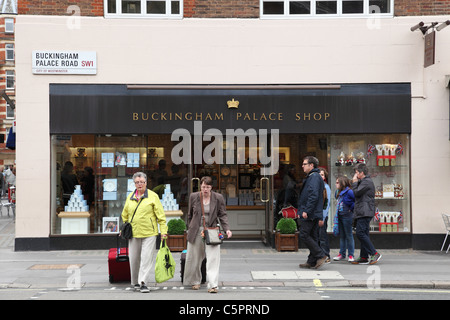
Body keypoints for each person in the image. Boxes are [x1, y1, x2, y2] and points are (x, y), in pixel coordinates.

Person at [183, 176, 232, 293]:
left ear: (211, 187)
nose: (205, 189)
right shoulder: (194, 196)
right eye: (203, 186)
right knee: (195, 257)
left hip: (212, 230)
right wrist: (190, 228)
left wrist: (227, 229)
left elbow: (222, 215)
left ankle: (212, 285)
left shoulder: (218, 197)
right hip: (196, 230)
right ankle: (195, 281)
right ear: (200, 186)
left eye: (208, 187)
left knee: (213, 259)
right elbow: (189, 214)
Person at [121, 172, 168, 293]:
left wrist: (163, 231)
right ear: (134, 183)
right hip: (134, 233)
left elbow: (161, 216)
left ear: (146, 183)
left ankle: (143, 282)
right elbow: (124, 214)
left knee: (146, 259)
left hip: (149, 233)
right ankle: (135, 282)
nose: (139, 184)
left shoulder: (153, 196)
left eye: (142, 182)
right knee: (134, 258)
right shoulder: (130, 197)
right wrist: (124, 227)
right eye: (137, 182)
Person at [297, 156, 328, 269]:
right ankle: (311, 261)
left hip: (311, 213)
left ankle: (320, 255)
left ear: (311, 165)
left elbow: (313, 196)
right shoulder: (313, 176)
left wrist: (306, 210)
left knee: (304, 235)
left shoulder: (314, 177)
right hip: (314, 212)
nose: (302, 166)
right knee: (312, 236)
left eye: (304, 164)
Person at [351, 163, 382, 265]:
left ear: (361, 173)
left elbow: (356, 193)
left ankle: (374, 253)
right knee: (364, 233)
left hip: (365, 211)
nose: (355, 175)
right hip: (363, 210)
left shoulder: (367, 182)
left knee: (360, 233)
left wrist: (354, 182)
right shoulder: (364, 181)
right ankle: (364, 256)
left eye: (356, 173)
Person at [333, 176, 356, 262]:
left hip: (347, 216)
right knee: (342, 236)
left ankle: (351, 255)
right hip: (340, 215)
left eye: (337, 182)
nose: (336, 184)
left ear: (342, 183)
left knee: (349, 235)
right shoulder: (337, 192)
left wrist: (351, 209)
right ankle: (341, 254)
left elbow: (355, 201)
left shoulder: (349, 192)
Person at [318, 168, 331, 262]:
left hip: (322, 216)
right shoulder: (317, 187)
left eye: (322, 175)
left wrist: (322, 217)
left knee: (322, 237)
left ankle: (326, 255)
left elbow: (326, 204)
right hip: (317, 216)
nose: (320, 176)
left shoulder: (326, 187)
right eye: (319, 174)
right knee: (318, 236)